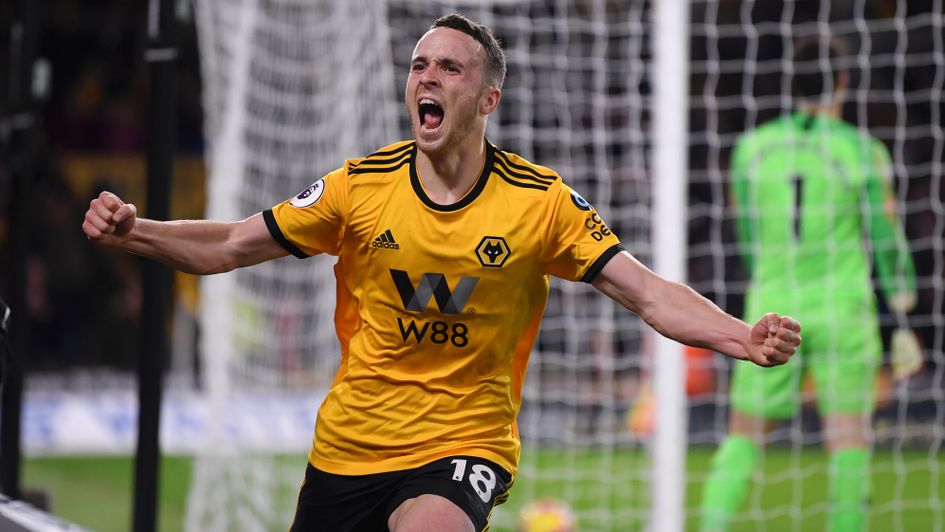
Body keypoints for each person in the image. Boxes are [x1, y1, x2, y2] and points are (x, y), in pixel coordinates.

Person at [83, 14, 801, 532]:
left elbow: (643, 291)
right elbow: (233, 245)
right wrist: (137, 231)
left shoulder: (538, 202)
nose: (426, 77)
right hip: (351, 444)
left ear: (486, 99)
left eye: (449, 68)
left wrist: (740, 336)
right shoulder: (359, 188)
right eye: (419, 66)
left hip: (464, 442)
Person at [699, 36, 917, 532]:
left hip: (771, 310)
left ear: (790, 85)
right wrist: (904, 314)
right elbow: (886, 241)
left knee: (744, 437)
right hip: (844, 308)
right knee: (848, 441)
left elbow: (747, 237)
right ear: (842, 80)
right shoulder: (862, 150)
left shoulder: (750, 151)